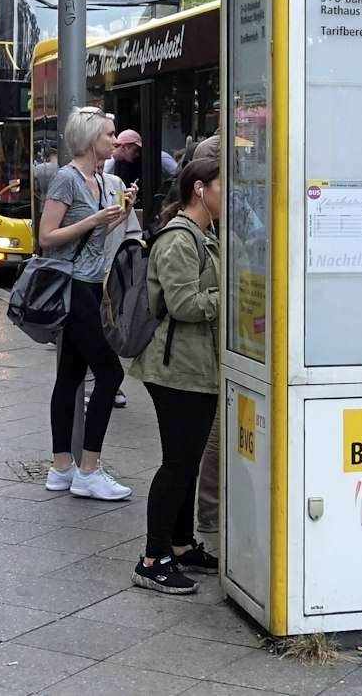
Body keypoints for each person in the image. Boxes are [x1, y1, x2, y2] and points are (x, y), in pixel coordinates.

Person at [130, 155, 223, 594]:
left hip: (195, 365)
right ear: (200, 189)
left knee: (185, 464)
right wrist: (231, 296)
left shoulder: (205, 234)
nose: (231, 195)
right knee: (178, 465)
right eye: (224, 186)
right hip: (175, 368)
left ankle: (182, 546)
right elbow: (185, 305)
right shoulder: (179, 240)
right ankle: (152, 559)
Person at [37, 106, 131, 501]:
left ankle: (62, 467)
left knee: (71, 376)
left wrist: (117, 214)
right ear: (92, 139)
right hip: (71, 288)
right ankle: (88, 469)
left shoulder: (100, 180)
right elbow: (47, 236)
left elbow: (91, 238)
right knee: (110, 374)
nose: (114, 140)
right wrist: (93, 221)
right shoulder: (67, 179)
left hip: (90, 285)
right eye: (109, 135)